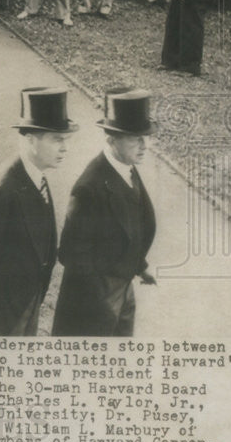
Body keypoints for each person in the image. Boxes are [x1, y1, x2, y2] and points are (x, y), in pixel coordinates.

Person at [0, 88, 77, 336]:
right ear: (31, 139)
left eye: (65, 140)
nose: (64, 148)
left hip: (23, 307)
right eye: (56, 139)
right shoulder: (2, 189)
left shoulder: (37, 177)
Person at [52, 89, 158, 336]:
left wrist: (138, 265)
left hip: (123, 288)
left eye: (146, 137)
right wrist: (101, 297)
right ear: (111, 140)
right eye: (135, 138)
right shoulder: (89, 188)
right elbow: (71, 254)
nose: (145, 145)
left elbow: (131, 225)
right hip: (93, 305)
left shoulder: (127, 167)